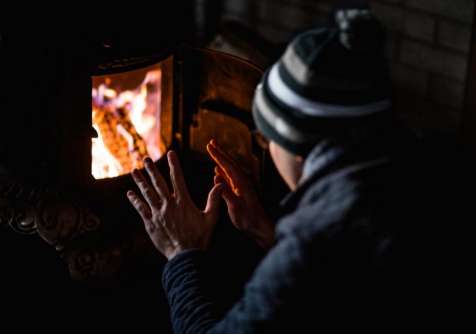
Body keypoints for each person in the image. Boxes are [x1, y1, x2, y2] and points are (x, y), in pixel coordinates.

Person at [126, 8, 459, 332]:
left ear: (295, 143)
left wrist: (181, 252)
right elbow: (336, 292)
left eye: (267, 136)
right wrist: (264, 230)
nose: (266, 147)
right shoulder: (422, 169)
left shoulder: (311, 239)